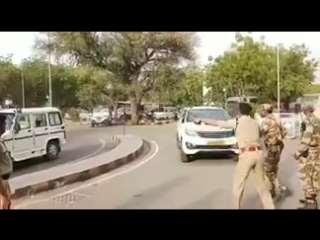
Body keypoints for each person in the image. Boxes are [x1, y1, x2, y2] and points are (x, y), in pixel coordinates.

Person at [195, 102, 275, 209]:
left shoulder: (237, 122)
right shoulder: (255, 123)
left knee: (238, 186)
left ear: (239, 112)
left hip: (246, 155)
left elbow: (217, 122)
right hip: (259, 154)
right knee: (262, 185)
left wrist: (202, 120)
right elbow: (260, 134)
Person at [259, 104, 290, 200]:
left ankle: (277, 189)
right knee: (274, 169)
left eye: (261, 110)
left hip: (271, 148)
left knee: (267, 171)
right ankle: (273, 190)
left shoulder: (266, 121)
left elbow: (260, 133)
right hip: (278, 147)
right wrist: (278, 139)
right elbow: (284, 131)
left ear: (265, 111)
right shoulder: (277, 119)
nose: (260, 112)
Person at [294, 104, 320, 209]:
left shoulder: (307, 121)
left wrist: (297, 153)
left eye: (304, 109)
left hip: (309, 152)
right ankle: (312, 199)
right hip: (318, 151)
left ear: (306, 110)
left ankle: (310, 202)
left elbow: (306, 138)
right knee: (315, 175)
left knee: (305, 175)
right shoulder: (317, 121)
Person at [0, 115, 13, 209]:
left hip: (5, 183)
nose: (5, 125)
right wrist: (3, 195)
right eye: (3, 123)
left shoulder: (0, 141)